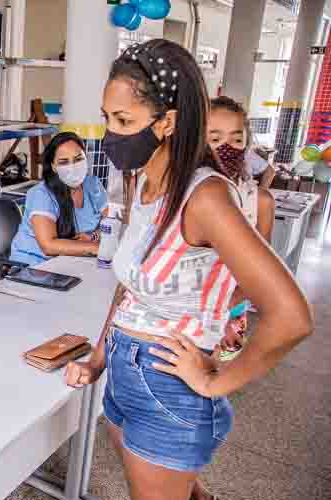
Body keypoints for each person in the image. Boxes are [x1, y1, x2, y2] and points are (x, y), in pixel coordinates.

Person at [65, 39, 312, 500]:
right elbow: (128, 289)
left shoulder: (205, 197)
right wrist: (98, 358)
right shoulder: (144, 180)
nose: (110, 135)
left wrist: (215, 382)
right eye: (107, 118)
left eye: (124, 121)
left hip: (167, 384)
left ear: (168, 122)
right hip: (125, 369)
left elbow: (291, 316)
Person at [208, 95, 276, 355]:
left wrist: (223, 307)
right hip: (181, 311)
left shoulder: (260, 202)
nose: (226, 148)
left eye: (236, 140)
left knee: (217, 370)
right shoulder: (184, 195)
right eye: (215, 139)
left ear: (247, 144)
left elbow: (260, 271)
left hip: (228, 309)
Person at [10, 132, 108, 265]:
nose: (73, 167)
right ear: (53, 167)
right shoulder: (42, 194)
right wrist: (95, 248)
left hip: (72, 262)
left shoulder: (92, 185)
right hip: (34, 266)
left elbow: (111, 222)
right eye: (64, 162)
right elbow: (49, 246)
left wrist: (93, 236)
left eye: (78, 159)